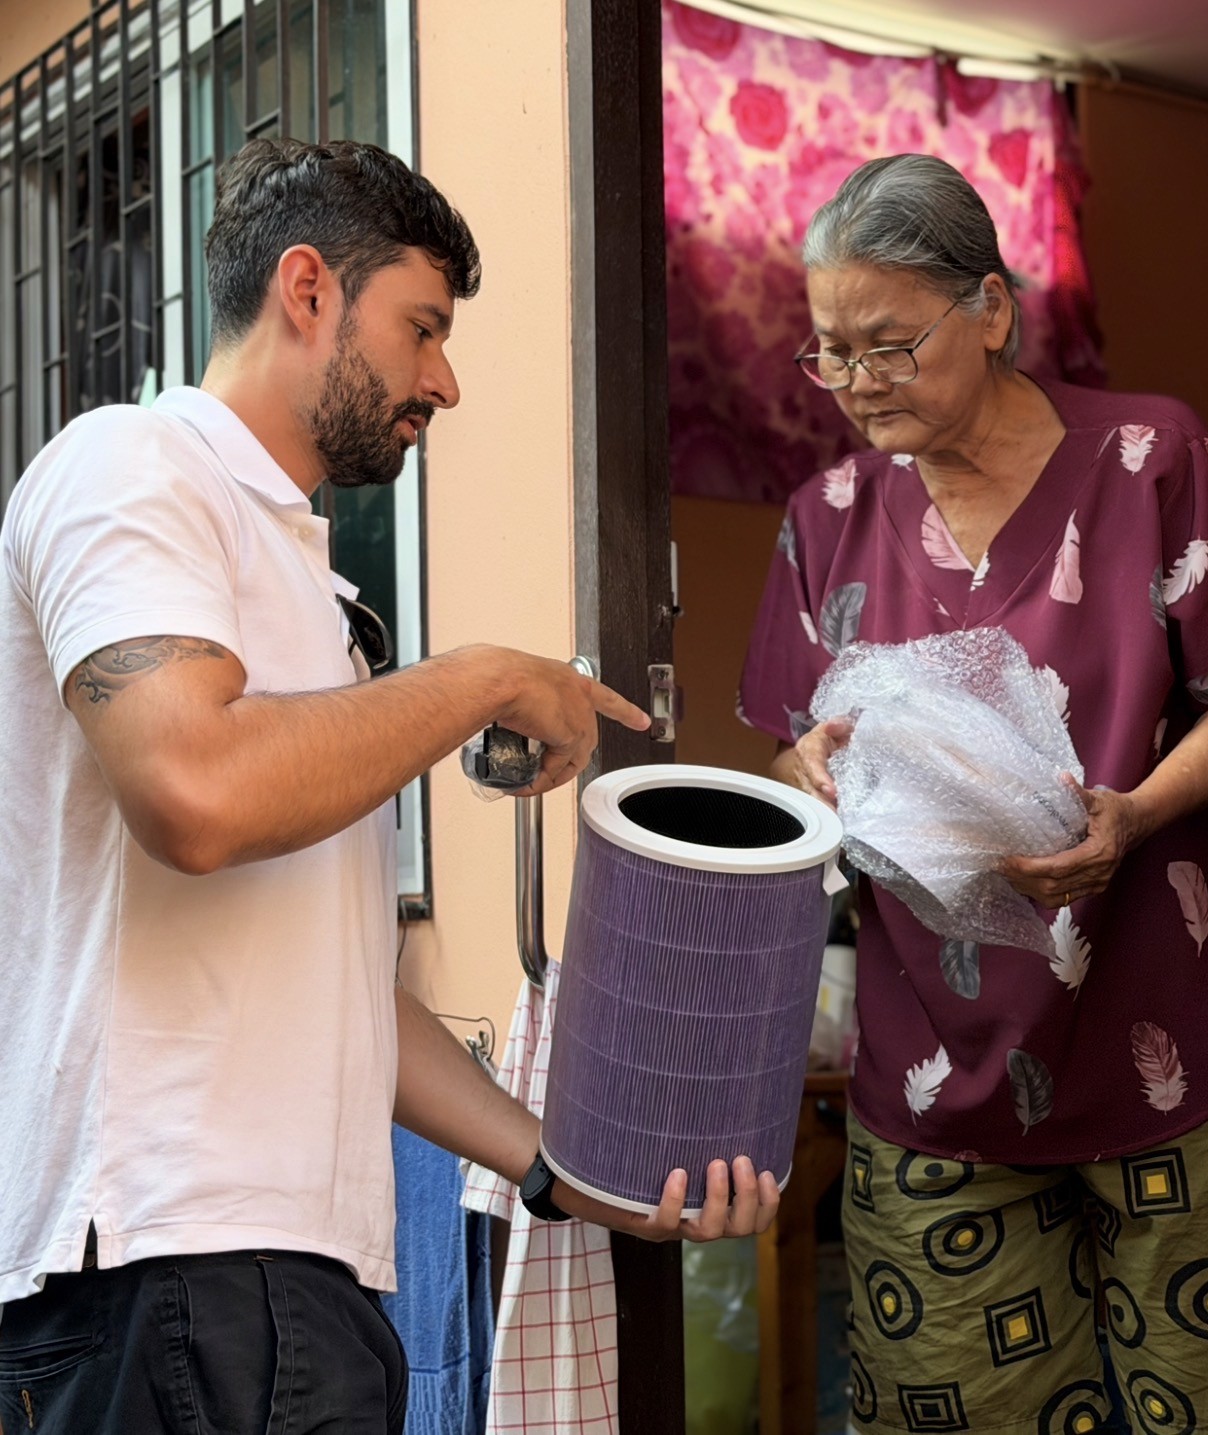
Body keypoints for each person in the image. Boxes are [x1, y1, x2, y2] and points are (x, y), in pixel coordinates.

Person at [0, 138, 778, 1434]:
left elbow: (349, 988)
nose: (446, 380)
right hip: (164, 1261)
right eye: (421, 328)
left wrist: (564, 1168)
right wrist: (471, 679)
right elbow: (192, 790)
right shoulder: (130, 468)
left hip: (303, 1274)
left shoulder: (320, 596)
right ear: (308, 291)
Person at [741, 153, 1208, 1434]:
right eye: (830, 353)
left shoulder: (1149, 458)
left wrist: (1140, 815)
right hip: (939, 1080)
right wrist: (806, 772)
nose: (857, 385)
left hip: (1176, 1040)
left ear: (990, 311)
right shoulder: (822, 516)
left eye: (889, 345)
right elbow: (793, 750)